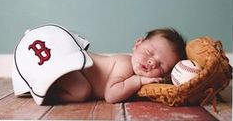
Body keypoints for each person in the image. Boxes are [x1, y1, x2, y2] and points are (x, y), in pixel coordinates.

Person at [45, 28, 186, 104]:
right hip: (69, 66)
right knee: (81, 91)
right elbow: (111, 95)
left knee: (82, 89)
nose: (152, 62)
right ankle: (51, 95)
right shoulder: (125, 64)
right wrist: (139, 81)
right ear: (137, 44)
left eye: (160, 66)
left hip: (71, 70)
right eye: (149, 52)